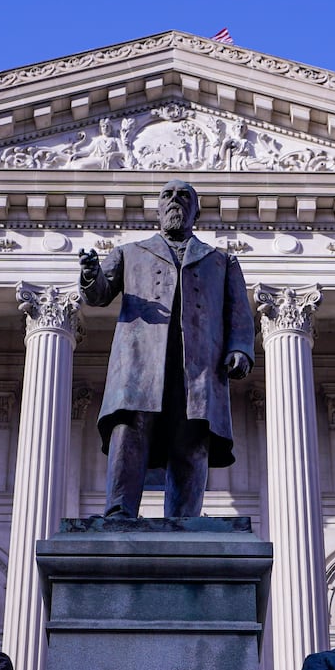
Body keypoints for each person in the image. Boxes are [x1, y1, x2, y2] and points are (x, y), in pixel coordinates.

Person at [78, 180, 254, 518]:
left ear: (196, 211)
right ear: (158, 209)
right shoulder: (130, 253)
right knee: (130, 432)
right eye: (167, 196)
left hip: (198, 365)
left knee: (192, 437)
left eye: (184, 196)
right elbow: (99, 295)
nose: (175, 201)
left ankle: (185, 520)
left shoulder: (221, 260)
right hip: (140, 363)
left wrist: (241, 348)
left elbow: (239, 312)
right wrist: (89, 274)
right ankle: (118, 513)